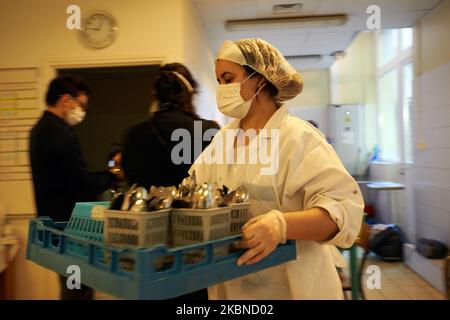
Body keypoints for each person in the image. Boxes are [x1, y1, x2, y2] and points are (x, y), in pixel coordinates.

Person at [190, 39, 364, 299]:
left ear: (259, 78)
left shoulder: (299, 138)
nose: (222, 89)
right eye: (219, 82)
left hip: (295, 287)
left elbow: (343, 214)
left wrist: (281, 225)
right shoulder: (222, 140)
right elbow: (194, 191)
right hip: (233, 287)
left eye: (228, 79)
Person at [122, 63, 220, 300]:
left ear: (155, 95)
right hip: (197, 247)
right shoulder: (208, 131)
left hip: (149, 248)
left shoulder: (135, 134)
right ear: (190, 94)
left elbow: (131, 182)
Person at [29, 76, 120, 300]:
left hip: (54, 227)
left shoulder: (39, 130)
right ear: (66, 100)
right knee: (77, 290)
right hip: (70, 231)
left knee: (72, 286)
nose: (82, 111)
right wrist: (113, 175)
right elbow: (81, 186)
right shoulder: (59, 135)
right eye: (81, 105)